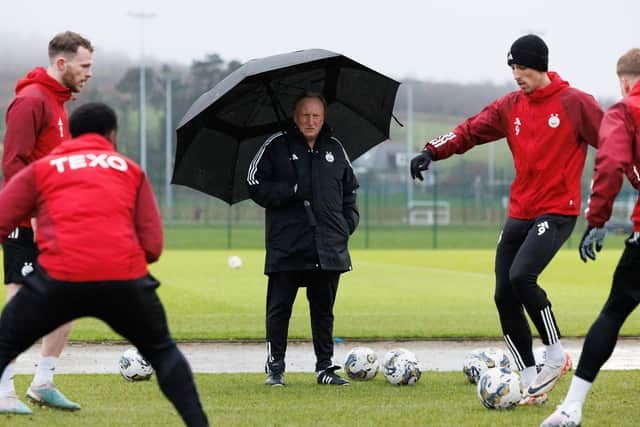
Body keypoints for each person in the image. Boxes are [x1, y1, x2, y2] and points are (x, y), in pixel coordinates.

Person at [410, 34, 604, 404]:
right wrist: (432, 151)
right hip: (521, 210)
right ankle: (530, 379)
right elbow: (470, 129)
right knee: (503, 293)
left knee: (521, 276)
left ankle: (555, 354)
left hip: (558, 209)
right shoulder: (510, 106)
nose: (516, 74)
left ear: (540, 66)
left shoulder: (575, 103)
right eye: (512, 67)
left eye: (523, 67)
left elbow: (615, 144)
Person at [0, 102, 209, 425]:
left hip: (59, 279)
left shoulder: (43, 168)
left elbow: (4, 217)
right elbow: (153, 245)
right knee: (164, 352)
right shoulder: (130, 170)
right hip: (123, 280)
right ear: (113, 135)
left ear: (70, 133)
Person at [540, 48, 640, 427]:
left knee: (613, 312)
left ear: (624, 80)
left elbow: (612, 162)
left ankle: (571, 408)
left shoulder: (625, 110)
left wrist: (597, 218)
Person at [0, 30, 94, 411]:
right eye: (84, 66)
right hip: (26, 223)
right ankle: (3, 389)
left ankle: (43, 382)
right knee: (21, 308)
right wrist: (35, 211)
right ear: (62, 63)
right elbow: (13, 164)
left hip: (58, 222)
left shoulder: (57, 103)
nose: (89, 73)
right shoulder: (31, 101)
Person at [247, 92, 359, 386]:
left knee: (323, 311)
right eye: (305, 115)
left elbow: (350, 193)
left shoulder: (335, 149)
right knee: (279, 309)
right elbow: (254, 184)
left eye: (316, 116)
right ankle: (276, 369)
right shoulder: (276, 146)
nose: (311, 121)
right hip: (288, 245)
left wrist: (346, 225)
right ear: (295, 117)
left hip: (328, 248)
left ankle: (325, 368)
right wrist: (290, 189)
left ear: (323, 119)